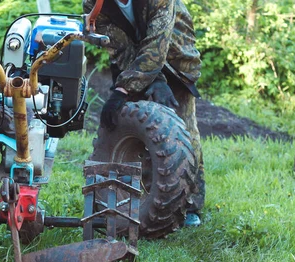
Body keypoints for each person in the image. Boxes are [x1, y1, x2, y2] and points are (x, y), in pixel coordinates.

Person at [84, 0, 205, 226]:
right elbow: (120, 46)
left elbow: (157, 43)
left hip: (176, 59)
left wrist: (128, 87)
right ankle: (154, 199)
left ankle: (190, 205)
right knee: (144, 129)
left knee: (184, 131)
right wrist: (132, 87)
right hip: (135, 61)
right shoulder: (94, 5)